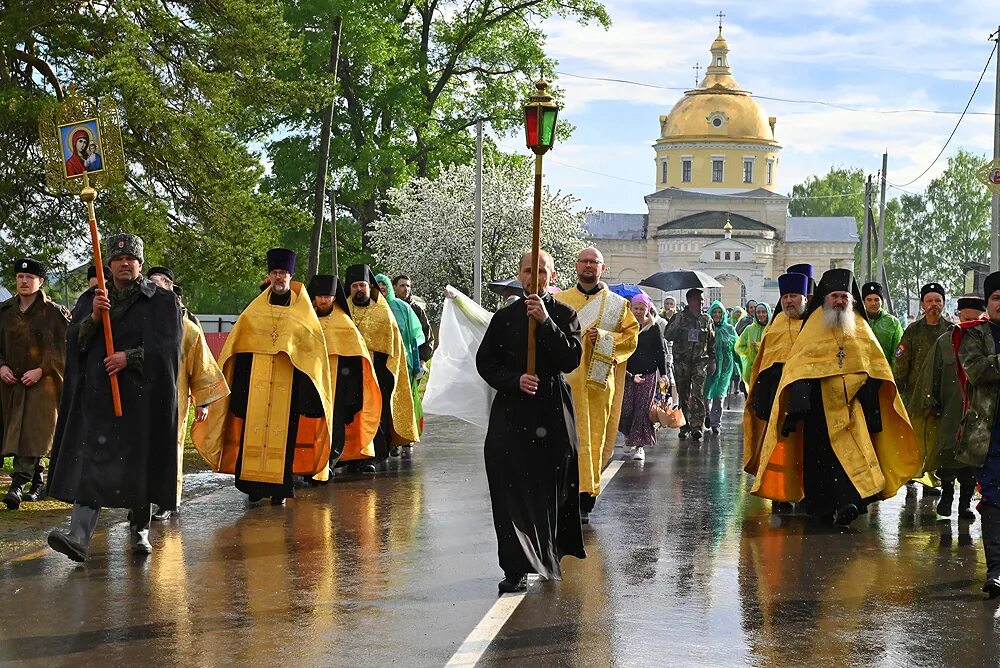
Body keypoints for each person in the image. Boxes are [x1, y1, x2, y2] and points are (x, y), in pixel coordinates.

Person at [47, 234, 182, 561]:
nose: (124, 264)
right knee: (93, 462)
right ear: (108, 264)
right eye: (118, 260)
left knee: (139, 465)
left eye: (131, 259)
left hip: (142, 401)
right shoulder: (92, 298)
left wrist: (129, 357)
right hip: (99, 399)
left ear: (140, 264)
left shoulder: (161, 302)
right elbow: (74, 345)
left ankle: (139, 531)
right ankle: (78, 537)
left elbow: (168, 349)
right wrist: (94, 317)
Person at [748, 269, 920, 526]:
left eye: (844, 296)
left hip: (853, 407)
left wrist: (869, 394)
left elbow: (875, 365)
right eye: (834, 296)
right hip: (817, 410)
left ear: (850, 300)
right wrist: (799, 400)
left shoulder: (859, 325)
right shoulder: (813, 326)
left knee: (853, 455)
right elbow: (800, 365)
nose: (839, 301)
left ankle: (849, 502)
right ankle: (823, 506)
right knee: (821, 461)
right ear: (825, 299)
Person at [476, 250, 585, 593]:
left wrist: (546, 324)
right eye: (528, 270)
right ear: (519, 274)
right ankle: (515, 565)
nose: (534, 276)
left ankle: (546, 554)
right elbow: (486, 363)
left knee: (551, 486)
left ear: (552, 276)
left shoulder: (565, 314)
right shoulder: (504, 318)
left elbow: (571, 358)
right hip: (513, 410)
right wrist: (514, 380)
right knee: (509, 487)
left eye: (541, 271)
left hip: (551, 408)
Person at [192, 249, 334, 506]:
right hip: (255, 382)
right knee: (252, 433)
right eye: (275, 273)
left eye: (283, 273)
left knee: (284, 437)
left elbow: (312, 355)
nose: (279, 277)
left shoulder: (303, 312)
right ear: (270, 275)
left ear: (291, 275)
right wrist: (240, 388)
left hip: (288, 385)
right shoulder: (253, 310)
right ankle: (253, 487)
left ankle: (280, 490)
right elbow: (239, 349)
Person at [554, 246, 638, 522]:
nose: (588, 266)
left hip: (597, 385)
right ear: (576, 266)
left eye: (594, 262)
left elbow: (631, 337)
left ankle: (586, 496)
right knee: (565, 438)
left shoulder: (617, 305)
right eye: (584, 261)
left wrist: (603, 337)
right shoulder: (560, 301)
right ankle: (564, 494)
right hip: (565, 384)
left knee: (594, 439)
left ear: (603, 268)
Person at [147, 266, 228, 521]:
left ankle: (169, 499)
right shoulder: (138, 324)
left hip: (175, 400)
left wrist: (202, 402)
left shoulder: (188, 330)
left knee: (171, 448)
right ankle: (142, 500)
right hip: (143, 398)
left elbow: (201, 368)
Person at [909, 296, 987, 522]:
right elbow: (932, 373)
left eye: (976, 319)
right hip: (949, 409)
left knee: (971, 460)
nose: (971, 323)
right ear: (959, 316)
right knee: (946, 454)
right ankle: (947, 494)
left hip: (979, 411)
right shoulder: (946, 341)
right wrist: (930, 401)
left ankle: (964, 504)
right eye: (966, 319)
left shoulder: (987, 342)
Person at [0, 259, 69, 509]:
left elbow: (61, 348)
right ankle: (38, 479)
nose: (24, 281)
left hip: (43, 383)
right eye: (20, 277)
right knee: (20, 430)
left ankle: (18, 483)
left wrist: (42, 370)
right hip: (10, 382)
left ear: (40, 281)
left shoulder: (53, 313)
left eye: (30, 277)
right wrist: (1, 366)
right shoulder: (4, 311)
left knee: (33, 429)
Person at [952, 272, 1000, 597]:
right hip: (990, 432)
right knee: (994, 496)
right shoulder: (975, 335)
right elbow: (977, 369)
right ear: (988, 303)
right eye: (997, 297)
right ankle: (996, 568)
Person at [308, 274, 381, 476]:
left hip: (339, 384)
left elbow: (356, 359)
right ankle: (310, 463)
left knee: (336, 424)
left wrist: (351, 392)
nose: (323, 301)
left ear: (334, 297)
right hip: (310, 383)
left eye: (327, 297)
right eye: (319, 296)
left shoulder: (343, 323)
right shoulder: (305, 319)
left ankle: (330, 462)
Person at [346, 264, 419, 463]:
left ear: (369, 287)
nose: (359, 290)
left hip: (379, 373)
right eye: (355, 286)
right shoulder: (343, 312)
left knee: (378, 415)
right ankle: (352, 456)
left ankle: (377, 453)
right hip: (350, 374)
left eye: (362, 285)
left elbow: (395, 345)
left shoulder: (382, 311)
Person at [376, 273, 426, 435]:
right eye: (378, 285)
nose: (382, 288)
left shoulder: (403, 308)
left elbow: (416, 336)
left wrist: (420, 361)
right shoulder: (368, 309)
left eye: (384, 285)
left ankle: (404, 434)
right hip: (377, 364)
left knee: (403, 400)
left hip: (403, 363)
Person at [619, 294, 666, 461]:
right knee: (626, 408)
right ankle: (628, 435)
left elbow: (660, 352)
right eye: (636, 308)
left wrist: (664, 374)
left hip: (648, 373)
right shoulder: (626, 326)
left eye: (642, 308)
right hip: (628, 373)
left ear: (648, 309)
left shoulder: (654, 328)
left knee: (642, 409)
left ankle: (639, 446)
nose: (638, 311)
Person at [665, 288, 715, 441]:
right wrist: (676, 322)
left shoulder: (706, 319)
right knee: (683, 394)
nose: (700, 302)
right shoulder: (679, 317)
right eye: (697, 299)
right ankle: (684, 425)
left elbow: (712, 341)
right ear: (689, 301)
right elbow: (668, 335)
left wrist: (713, 360)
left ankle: (696, 426)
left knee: (698, 393)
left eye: (701, 299)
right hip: (682, 362)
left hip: (700, 362)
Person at [895, 282, 949, 406]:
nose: (933, 304)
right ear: (922, 305)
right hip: (916, 393)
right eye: (929, 301)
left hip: (943, 392)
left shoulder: (951, 331)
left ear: (943, 303)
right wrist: (899, 388)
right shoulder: (912, 330)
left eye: (937, 300)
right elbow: (901, 360)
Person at [705, 300, 738, 435]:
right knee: (706, 392)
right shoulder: (706, 327)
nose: (717, 315)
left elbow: (737, 347)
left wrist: (738, 366)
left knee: (719, 394)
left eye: (720, 312)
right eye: (715, 312)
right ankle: (707, 414)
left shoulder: (729, 329)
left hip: (725, 367)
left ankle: (715, 422)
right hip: (708, 365)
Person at [861, 282, 903, 368]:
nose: (873, 303)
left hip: (884, 374)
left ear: (881, 301)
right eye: (869, 300)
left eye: (876, 300)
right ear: (863, 302)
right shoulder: (857, 320)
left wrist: (892, 375)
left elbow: (898, 352)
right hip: (861, 374)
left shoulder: (892, 322)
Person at [393, 274, 434, 363]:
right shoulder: (389, 306)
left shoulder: (416, 309)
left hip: (412, 357)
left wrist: (422, 360)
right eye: (402, 286)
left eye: (408, 286)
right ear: (394, 287)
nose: (406, 289)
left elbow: (427, 334)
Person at [734, 302, 772, 383]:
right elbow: (738, 346)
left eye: (763, 312)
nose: (761, 314)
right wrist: (749, 352)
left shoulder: (773, 329)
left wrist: (759, 345)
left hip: (769, 368)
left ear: (768, 312)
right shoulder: (749, 329)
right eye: (758, 312)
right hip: (752, 369)